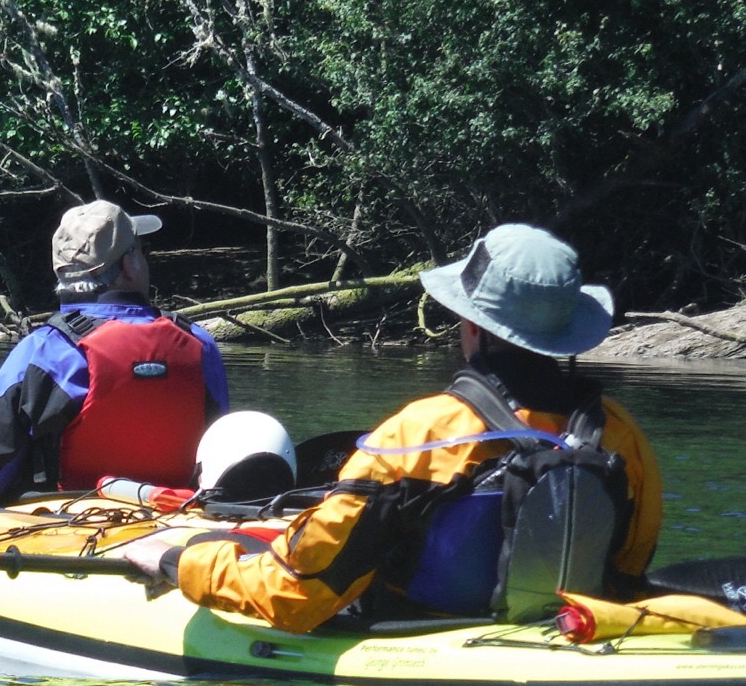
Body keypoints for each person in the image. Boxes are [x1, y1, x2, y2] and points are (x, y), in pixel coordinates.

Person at [121, 223, 661, 632]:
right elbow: (627, 571)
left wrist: (180, 560)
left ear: (472, 324)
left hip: (414, 672)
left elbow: (298, 592)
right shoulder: (619, 435)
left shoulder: (418, 435)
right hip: (561, 634)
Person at [0, 200, 228, 504]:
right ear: (128, 266)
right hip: (179, 515)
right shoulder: (200, 345)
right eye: (141, 250)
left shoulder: (46, 350)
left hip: (69, 523)